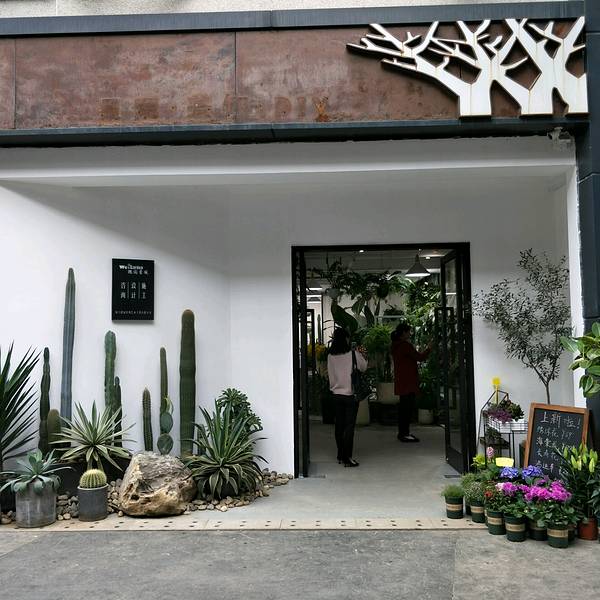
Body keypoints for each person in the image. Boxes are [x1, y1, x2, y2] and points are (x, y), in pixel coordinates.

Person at [327, 328, 367, 467]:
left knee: (339, 425)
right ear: (346, 339)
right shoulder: (353, 354)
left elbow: (330, 375)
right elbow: (363, 367)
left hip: (336, 394)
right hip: (350, 395)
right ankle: (347, 457)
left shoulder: (330, 356)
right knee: (349, 427)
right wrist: (363, 355)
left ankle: (340, 454)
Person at [391, 322, 431, 443]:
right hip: (408, 382)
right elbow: (420, 357)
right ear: (404, 333)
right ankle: (405, 434)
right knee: (407, 409)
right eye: (408, 331)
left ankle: (403, 432)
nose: (410, 333)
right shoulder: (405, 346)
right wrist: (429, 348)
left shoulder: (395, 345)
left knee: (403, 409)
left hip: (401, 381)